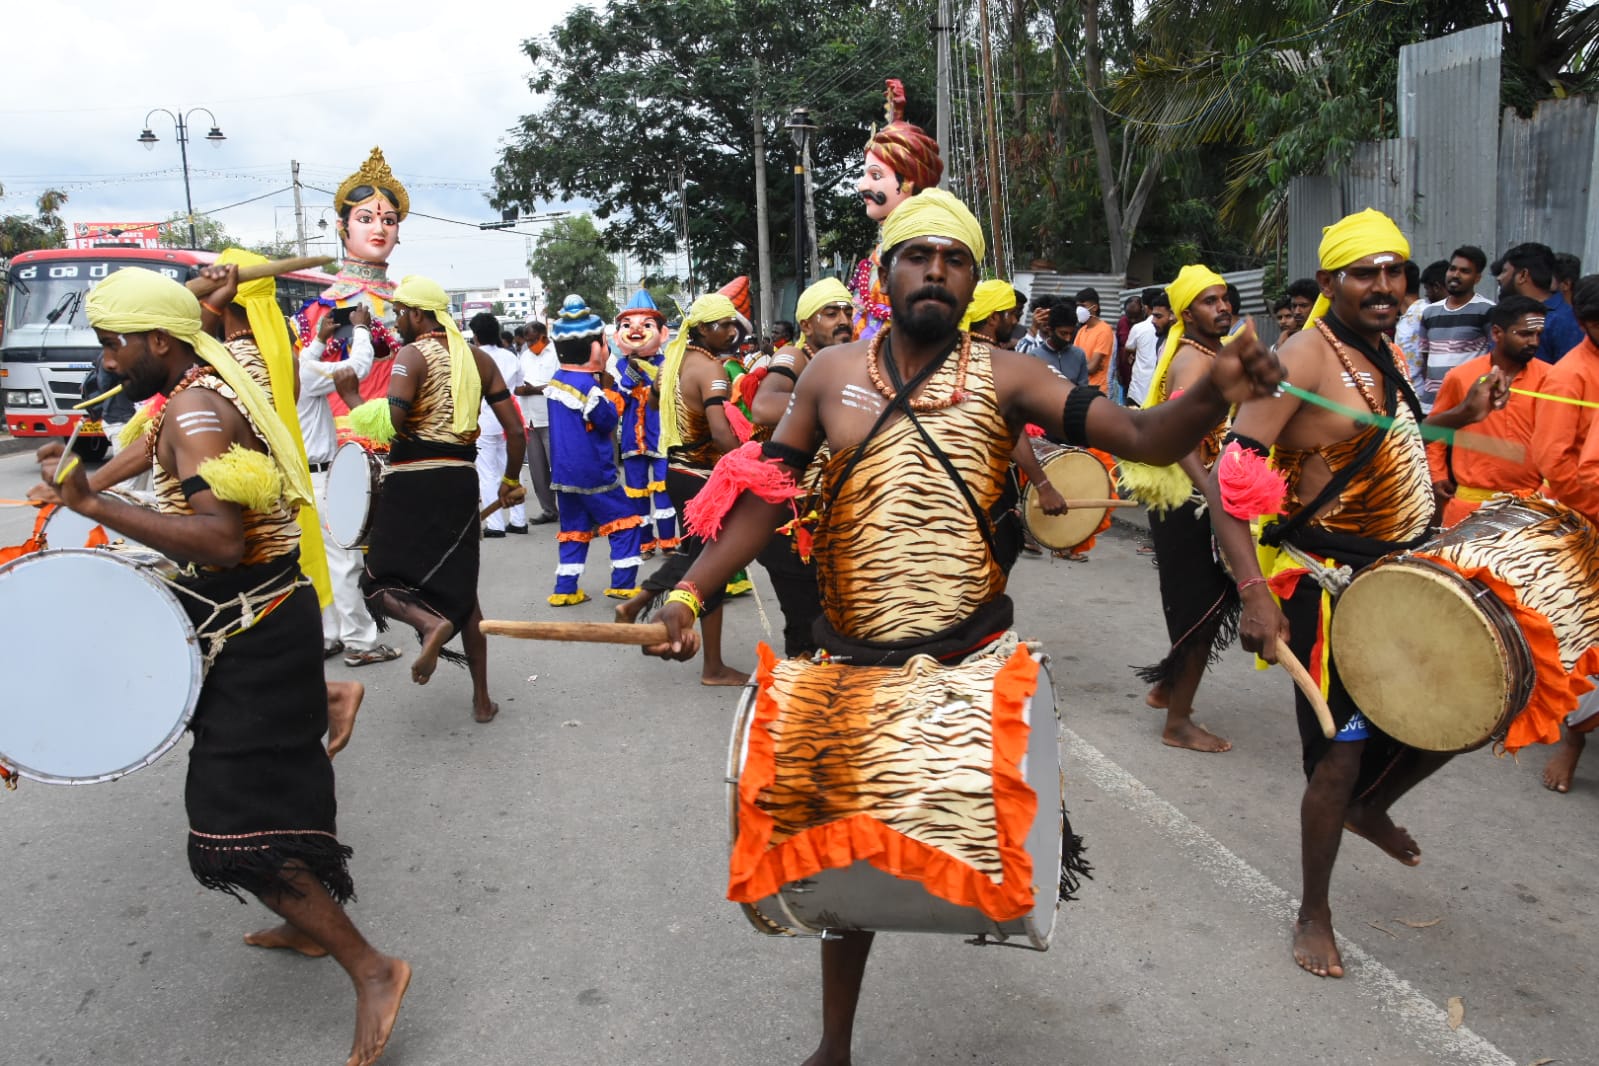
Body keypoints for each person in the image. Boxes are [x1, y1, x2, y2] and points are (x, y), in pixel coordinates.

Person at [642, 188, 1281, 1066]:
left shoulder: (1011, 376)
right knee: (840, 862)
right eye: (917, 254)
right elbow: (762, 495)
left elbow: (1140, 434)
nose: (934, 269)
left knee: (981, 846)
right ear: (885, 272)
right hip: (851, 656)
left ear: (972, 278)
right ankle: (834, 1045)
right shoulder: (831, 375)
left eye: (954, 258)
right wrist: (688, 592)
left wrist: (1216, 392)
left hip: (963, 659)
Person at [38, 266, 409, 1066]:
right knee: (280, 785)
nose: (106, 360)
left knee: (233, 825)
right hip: (262, 624)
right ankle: (305, 919)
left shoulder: (199, 410)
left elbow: (218, 541)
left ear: (159, 341)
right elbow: (147, 443)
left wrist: (98, 509)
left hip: (257, 632)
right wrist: (85, 485)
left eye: (113, 343)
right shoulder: (192, 384)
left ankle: (373, 970)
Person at [1208, 209, 1505, 980]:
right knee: (1338, 760)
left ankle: (1370, 809)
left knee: (1463, 710)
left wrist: (1456, 419)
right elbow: (1229, 484)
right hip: (1326, 588)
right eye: (1362, 273)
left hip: (1399, 580)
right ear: (1332, 281)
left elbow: (1377, 446)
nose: (1382, 285)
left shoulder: (1381, 347)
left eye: (1393, 271)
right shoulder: (1304, 354)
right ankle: (1313, 911)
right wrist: (1253, 594)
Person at [348, 274, 525, 723]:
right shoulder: (478, 359)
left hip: (413, 481)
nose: (397, 321)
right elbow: (516, 430)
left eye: (399, 312)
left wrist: (351, 398)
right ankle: (482, 700)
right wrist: (509, 480)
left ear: (416, 313)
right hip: (460, 482)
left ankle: (429, 623)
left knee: (375, 579)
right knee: (464, 592)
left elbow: (393, 420)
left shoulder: (412, 354)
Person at [1121, 265, 1241, 753]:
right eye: (1211, 302)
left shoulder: (1214, 353)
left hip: (1198, 497)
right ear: (1188, 314)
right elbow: (1181, 435)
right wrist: (1210, 489)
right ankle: (1178, 722)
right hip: (1189, 501)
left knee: (1209, 602)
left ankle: (1168, 687)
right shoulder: (1194, 360)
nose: (1224, 307)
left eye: (1225, 299)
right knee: (1203, 608)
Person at [616, 292, 749, 685]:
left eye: (733, 324)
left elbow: (656, 403)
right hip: (703, 478)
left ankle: (639, 601)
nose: (732, 331)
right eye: (724, 325)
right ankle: (713, 667)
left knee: (698, 557)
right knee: (713, 569)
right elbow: (722, 435)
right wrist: (754, 463)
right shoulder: (711, 370)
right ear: (703, 329)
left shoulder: (673, 362)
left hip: (677, 471)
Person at [1529, 275, 1599, 793]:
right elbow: (1555, 461)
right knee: (1587, 640)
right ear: (1584, 324)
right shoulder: (1569, 376)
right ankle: (1572, 741)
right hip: (1586, 522)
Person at [543, 296, 644, 605]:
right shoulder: (590, 389)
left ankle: (565, 589)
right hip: (594, 472)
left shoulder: (557, 381)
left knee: (574, 530)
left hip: (563, 473)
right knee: (625, 521)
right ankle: (623, 584)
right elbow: (607, 421)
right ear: (594, 348)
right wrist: (619, 392)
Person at [294, 147, 409, 412]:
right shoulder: (317, 311)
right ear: (342, 226)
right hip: (341, 433)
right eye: (366, 219)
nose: (379, 229)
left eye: (389, 221)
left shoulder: (410, 304)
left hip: (401, 427)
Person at [1423, 295, 1549, 529]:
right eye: (1524, 334)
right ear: (1497, 333)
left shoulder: (1551, 379)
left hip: (1531, 508)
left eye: (1538, 334)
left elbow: (1561, 443)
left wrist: (1545, 493)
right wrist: (1437, 474)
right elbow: (1437, 429)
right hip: (1468, 505)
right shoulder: (1461, 376)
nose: (1534, 342)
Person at [849, 79, 944, 342]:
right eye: (864, 175)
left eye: (875, 175)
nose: (862, 186)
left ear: (909, 181)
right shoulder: (881, 251)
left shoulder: (926, 249)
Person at [614, 291, 678, 555]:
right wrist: (633, 365)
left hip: (661, 437)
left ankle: (668, 543)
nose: (637, 330)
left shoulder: (669, 363)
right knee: (636, 493)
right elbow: (623, 391)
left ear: (662, 334)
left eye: (646, 324)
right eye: (628, 326)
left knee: (663, 491)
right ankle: (644, 542)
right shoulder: (619, 366)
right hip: (632, 439)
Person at [468, 312, 528, 538]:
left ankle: (495, 524)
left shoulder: (472, 357)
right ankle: (519, 520)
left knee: (487, 473)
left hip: (483, 419)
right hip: (510, 418)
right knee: (512, 469)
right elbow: (519, 386)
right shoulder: (510, 357)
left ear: (475, 336)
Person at [1417, 245, 1494, 411]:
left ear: (1477, 278)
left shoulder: (1487, 310)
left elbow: (1494, 358)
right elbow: (1425, 359)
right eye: (1452, 269)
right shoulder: (1429, 312)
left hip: (1465, 407)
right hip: (1431, 405)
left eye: (1464, 271)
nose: (1455, 275)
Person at [1496, 241, 1583, 364]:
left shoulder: (1564, 320)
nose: (1499, 278)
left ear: (1523, 275)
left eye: (1504, 271)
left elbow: (1570, 373)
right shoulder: (1503, 313)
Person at [514, 320, 559, 523]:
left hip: (551, 419)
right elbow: (516, 383)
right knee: (538, 470)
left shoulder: (557, 354)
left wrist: (534, 389)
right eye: (528, 341)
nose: (531, 344)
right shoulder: (524, 356)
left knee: (558, 467)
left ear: (543, 335)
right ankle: (548, 510)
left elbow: (561, 384)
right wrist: (520, 389)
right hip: (529, 419)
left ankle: (570, 510)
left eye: (533, 340)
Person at [1024, 301, 1089, 385]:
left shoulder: (1079, 355)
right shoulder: (1035, 356)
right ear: (1050, 330)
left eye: (1071, 333)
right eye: (1063, 333)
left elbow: (1083, 388)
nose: (1068, 339)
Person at [1125, 290, 1172, 407]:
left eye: (1158, 316)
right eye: (1154, 316)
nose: (1153, 321)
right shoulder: (1161, 340)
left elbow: (1129, 348)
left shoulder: (1180, 343)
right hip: (1143, 395)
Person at [1074, 287, 1116, 391]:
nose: (1079, 310)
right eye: (1078, 306)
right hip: (1081, 386)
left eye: (1083, 306)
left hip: (1097, 388)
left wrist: (1083, 363)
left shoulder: (1104, 330)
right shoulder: (1081, 331)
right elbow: (1072, 360)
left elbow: (1092, 367)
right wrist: (1087, 363)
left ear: (1095, 307)